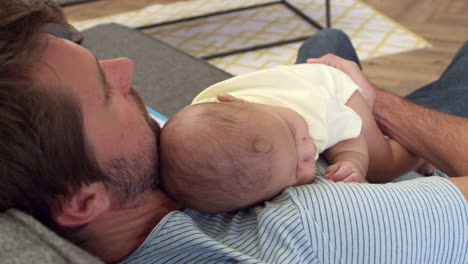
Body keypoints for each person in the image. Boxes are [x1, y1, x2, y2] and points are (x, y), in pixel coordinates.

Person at [0, 1, 466, 263]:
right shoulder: (302, 227)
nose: (125, 67)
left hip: (331, 119)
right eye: (105, 92)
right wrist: (373, 97)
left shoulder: (145, 173)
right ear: (83, 201)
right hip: (393, 156)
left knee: (326, 46)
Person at [158, 61, 434, 213]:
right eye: (296, 169)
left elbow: (349, 136)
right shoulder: (210, 118)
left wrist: (354, 163)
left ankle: (419, 152)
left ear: (232, 100)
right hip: (296, 75)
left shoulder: (310, 115)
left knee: (382, 166)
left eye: (292, 131)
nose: (307, 149)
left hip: (333, 89)